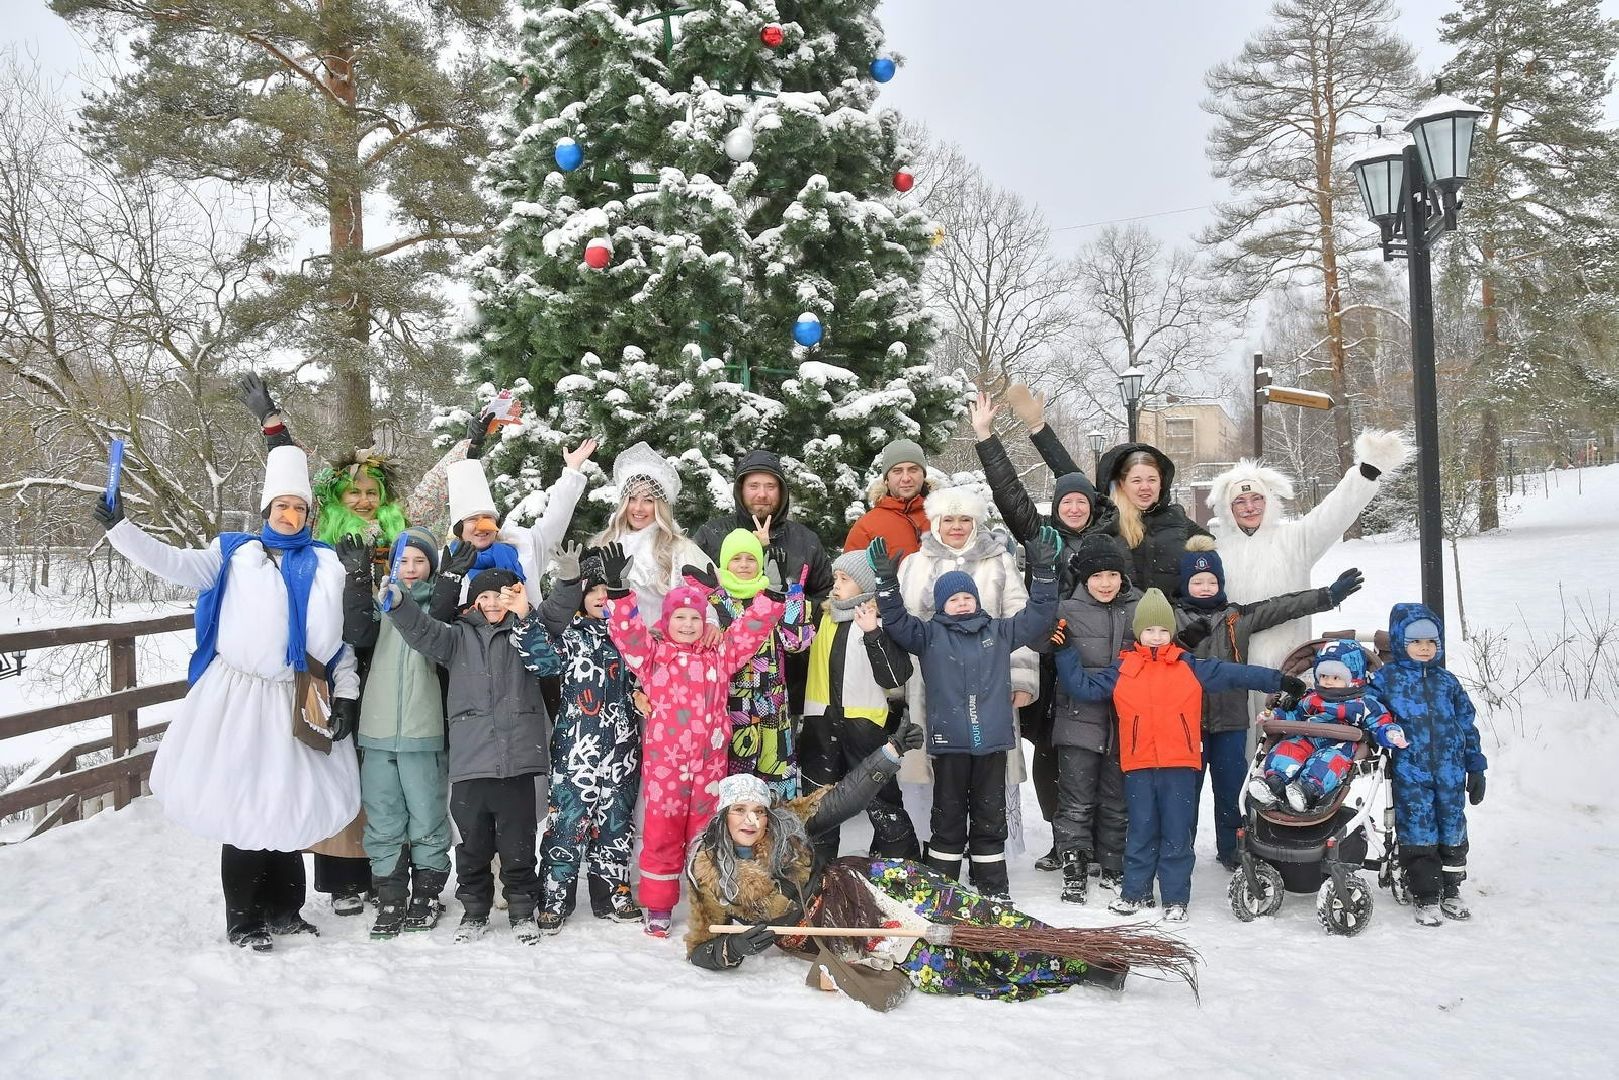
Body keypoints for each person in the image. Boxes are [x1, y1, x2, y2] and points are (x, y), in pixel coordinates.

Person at [92, 445, 361, 952]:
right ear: (266, 510)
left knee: (287, 803)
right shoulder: (235, 554)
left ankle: (286, 910)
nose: (289, 515)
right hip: (241, 699)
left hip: (302, 695)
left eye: (298, 507)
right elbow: (172, 563)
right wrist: (120, 529)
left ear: (309, 514)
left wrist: (344, 694)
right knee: (246, 805)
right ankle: (244, 918)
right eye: (281, 506)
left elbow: (339, 642)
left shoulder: (328, 564)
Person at [683, 738, 1130, 1005]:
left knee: (970, 910)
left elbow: (843, 799)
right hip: (839, 932)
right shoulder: (708, 872)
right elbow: (701, 946)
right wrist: (733, 948)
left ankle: (1082, 953)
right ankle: (1067, 971)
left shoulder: (787, 825)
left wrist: (888, 754)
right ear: (723, 815)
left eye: (758, 811)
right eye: (739, 810)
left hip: (863, 884)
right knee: (942, 964)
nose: (751, 820)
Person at [1055, 588, 1302, 921]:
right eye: (1149, 630)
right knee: (1140, 830)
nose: (1156, 637)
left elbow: (1236, 674)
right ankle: (1135, 893)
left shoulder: (1189, 666)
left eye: (1163, 630)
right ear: (1138, 632)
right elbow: (1083, 687)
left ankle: (1175, 898)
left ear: (1171, 632)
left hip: (1180, 765)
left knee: (1177, 833)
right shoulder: (1123, 669)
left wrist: (1280, 681)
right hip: (1138, 766)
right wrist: (1065, 653)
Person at [601, 543, 784, 938]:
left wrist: (770, 598)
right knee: (662, 834)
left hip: (710, 766)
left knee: (708, 837)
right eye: (680, 617)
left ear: (705, 621)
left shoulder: (719, 655)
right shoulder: (653, 656)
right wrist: (618, 593)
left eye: (695, 618)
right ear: (667, 620)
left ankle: (709, 904)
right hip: (666, 768)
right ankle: (658, 905)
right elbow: (628, 635)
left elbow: (749, 632)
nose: (687, 624)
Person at [868, 527, 1061, 901]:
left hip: (992, 744)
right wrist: (886, 585)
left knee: (991, 817)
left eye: (966, 597)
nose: (961, 603)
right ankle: (944, 884)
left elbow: (1037, 617)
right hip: (950, 744)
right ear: (941, 605)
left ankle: (992, 885)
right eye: (953, 599)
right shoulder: (928, 636)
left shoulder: (1000, 632)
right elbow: (896, 621)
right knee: (948, 816)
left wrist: (1044, 573)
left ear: (977, 600)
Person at [970, 390, 1117, 872]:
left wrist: (1041, 429)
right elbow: (1009, 493)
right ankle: (1063, 838)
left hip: (1098, 659)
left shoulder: (1109, 539)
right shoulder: (1041, 537)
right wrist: (987, 438)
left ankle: (1100, 840)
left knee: (1097, 749)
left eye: (1081, 501)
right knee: (1053, 749)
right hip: (1051, 658)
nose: (1074, 507)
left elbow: (1079, 479)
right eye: (1065, 502)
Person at [382, 568, 556, 945]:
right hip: (470, 764)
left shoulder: (526, 631)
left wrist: (535, 611)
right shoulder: (457, 637)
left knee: (519, 846)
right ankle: (475, 911)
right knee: (472, 847)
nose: (492, 603)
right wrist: (398, 604)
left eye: (501, 596)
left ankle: (522, 909)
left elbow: (548, 656)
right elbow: (422, 631)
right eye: (484, 597)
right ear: (473, 603)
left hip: (518, 763)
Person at [1172, 538, 1365, 868]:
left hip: (1230, 721)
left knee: (1232, 790)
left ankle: (1233, 851)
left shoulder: (1236, 617)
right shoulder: (1172, 617)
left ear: (1221, 583)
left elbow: (1281, 606)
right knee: (1184, 794)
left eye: (1211, 581)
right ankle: (1179, 852)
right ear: (1185, 584)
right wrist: (1181, 640)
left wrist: (1327, 596)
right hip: (1185, 724)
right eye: (1197, 581)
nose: (1205, 588)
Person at [890, 484, 1039, 856]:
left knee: (988, 770)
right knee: (933, 770)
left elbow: (1019, 621)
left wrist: (1022, 677)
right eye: (949, 519)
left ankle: (988, 850)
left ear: (976, 523)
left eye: (965, 519)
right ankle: (939, 844)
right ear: (936, 522)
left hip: (989, 686)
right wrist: (897, 686)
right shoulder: (915, 563)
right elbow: (900, 626)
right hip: (930, 685)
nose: (956, 527)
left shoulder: (998, 561)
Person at [513, 544, 644, 933]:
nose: (602, 596)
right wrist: (525, 616)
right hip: (576, 753)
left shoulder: (632, 639)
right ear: (582, 596)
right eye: (593, 589)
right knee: (566, 826)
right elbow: (541, 660)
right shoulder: (572, 636)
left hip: (621, 752)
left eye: (607, 589)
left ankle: (613, 893)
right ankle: (555, 896)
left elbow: (652, 672)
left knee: (616, 824)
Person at [1203, 430, 1410, 671]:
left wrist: (1367, 472)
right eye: (1240, 501)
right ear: (1228, 509)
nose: (1250, 507)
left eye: (1256, 498)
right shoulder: (1217, 552)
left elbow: (1331, 514)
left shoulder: (1294, 539)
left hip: (1289, 665)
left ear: (1268, 501)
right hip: (1235, 669)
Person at [343, 527, 453, 938]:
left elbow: (441, 633)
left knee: (427, 815)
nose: (410, 568)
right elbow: (357, 634)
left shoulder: (438, 608)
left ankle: (426, 893)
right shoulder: (379, 606)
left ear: (431, 568)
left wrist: (449, 583)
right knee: (383, 815)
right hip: (377, 730)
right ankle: (390, 894)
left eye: (420, 561)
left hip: (424, 732)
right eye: (403, 561)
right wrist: (358, 580)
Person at [1369, 604, 1487, 927]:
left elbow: (1467, 725)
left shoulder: (1447, 682)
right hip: (1411, 771)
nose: (1424, 648)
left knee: (1452, 827)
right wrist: (1383, 731)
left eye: (1431, 642)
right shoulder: (1388, 680)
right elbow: (1369, 709)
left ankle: (1451, 889)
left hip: (1451, 771)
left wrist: (1476, 766)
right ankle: (1425, 894)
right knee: (1419, 831)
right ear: (1399, 642)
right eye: (1416, 642)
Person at [798, 552, 920, 861]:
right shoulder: (821, 617)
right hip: (820, 725)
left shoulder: (878, 620)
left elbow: (896, 676)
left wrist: (873, 633)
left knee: (882, 801)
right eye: (835, 578)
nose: (836, 585)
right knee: (818, 805)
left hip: (864, 726)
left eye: (845, 579)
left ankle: (901, 866)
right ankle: (819, 873)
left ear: (865, 585)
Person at [1042, 533, 1140, 904]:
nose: (1105, 583)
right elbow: (1039, 643)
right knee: (1076, 800)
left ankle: (1113, 864)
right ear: (1084, 579)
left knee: (1116, 799)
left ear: (1122, 576)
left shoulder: (1138, 606)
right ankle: (1074, 865)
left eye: (1112, 575)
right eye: (1096, 576)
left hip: (1124, 722)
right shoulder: (1066, 610)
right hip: (1077, 719)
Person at [701, 529, 816, 799]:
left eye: (751, 558)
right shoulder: (714, 601)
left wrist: (793, 593)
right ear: (724, 562)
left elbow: (797, 642)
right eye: (736, 558)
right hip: (732, 703)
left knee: (775, 779)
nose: (744, 565)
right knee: (735, 784)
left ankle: (777, 825)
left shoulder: (775, 594)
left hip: (773, 704)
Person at [1248, 639, 1406, 814]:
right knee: (1287, 749)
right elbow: (1294, 715)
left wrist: (1390, 733)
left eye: (1336, 677)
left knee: (1327, 763)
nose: (1328, 682)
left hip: (1340, 743)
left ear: (1353, 679)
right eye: (1323, 676)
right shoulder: (1311, 698)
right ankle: (1274, 783)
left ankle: (1308, 790)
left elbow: (1380, 722)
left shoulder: (1364, 704)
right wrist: (1274, 716)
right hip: (1306, 737)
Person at [591, 441, 713, 619]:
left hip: (660, 636)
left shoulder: (679, 549)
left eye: (648, 500)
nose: (638, 508)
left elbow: (704, 602)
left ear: (660, 506)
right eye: (632, 498)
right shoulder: (604, 543)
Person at [1095, 442, 1211, 597]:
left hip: (1172, 611)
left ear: (1161, 483)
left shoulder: (1177, 519)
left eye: (1152, 480)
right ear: (1122, 484)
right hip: (1123, 610)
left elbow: (1212, 556)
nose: (1145, 487)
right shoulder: (1107, 522)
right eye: (1136, 481)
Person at [843, 439, 931, 561]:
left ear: (923, 475)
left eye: (913, 470)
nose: (906, 478)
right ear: (886, 479)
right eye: (897, 471)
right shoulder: (867, 526)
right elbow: (849, 570)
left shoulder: (944, 517)